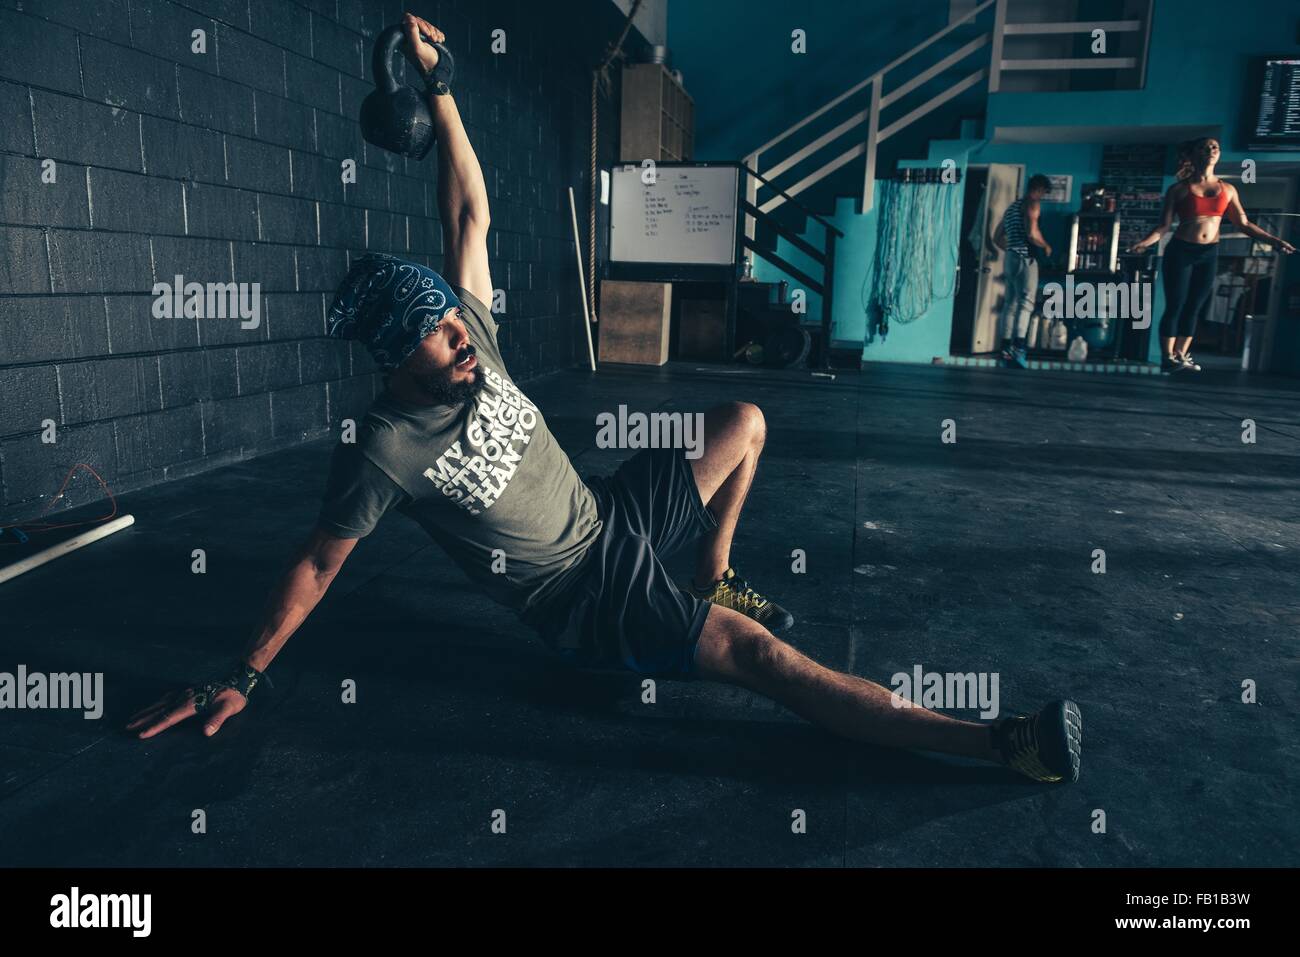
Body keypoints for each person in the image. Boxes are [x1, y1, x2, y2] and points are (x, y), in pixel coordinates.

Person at [127, 13, 1083, 785]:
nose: (465, 343)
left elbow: (469, 211)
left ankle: (710, 564)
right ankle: (1001, 744)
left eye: (462, 329)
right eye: (443, 340)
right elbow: (316, 564)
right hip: (585, 600)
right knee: (762, 659)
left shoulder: (467, 328)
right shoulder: (385, 446)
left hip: (608, 514)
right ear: (393, 353)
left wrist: (443, 88)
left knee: (743, 423)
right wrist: (242, 673)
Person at [1130, 137, 1294, 373]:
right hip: (1181, 251)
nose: (1210, 150)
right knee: (1176, 304)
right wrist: (1144, 244)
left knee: (1194, 306)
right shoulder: (1178, 189)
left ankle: (1181, 355)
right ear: (1194, 155)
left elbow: (1244, 224)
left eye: (1214, 147)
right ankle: (1167, 357)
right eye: (1205, 147)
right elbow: (1163, 227)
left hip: (1209, 252)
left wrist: (1275, 241)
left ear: (1218, 154)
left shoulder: (1228, 189)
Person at [991, 174, 1053, 369]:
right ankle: (1019, 350)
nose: (1042, 196)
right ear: (1039, 189)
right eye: (1044, 192)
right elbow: (1032, 234)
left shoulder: (1012, 208)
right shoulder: (1032, 203)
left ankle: (1005, 351)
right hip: (1026, 258)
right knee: (1026, 304)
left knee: (1010, 304)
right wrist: (1046, 246)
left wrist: (1011, 250)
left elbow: (997, 237)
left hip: (1010, 258)